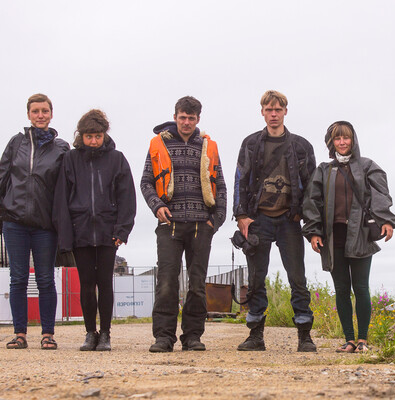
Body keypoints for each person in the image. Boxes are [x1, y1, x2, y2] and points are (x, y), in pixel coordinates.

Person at [302, 121, 395, 353]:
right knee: (342, 289)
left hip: (361, 234)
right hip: (333, 237)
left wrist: (385, 219)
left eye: (346, 137)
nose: (342, 142)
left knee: (361, 287)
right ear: (331, 142)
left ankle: (363, 340)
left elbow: (380, 194)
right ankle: (349, 340)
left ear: (353, 140)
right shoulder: (324, 170)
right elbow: (312, 201)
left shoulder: (367, 166)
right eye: (337, 138)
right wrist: (314, 232)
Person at [141, 96, 227, 352]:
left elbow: (221, 186)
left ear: (198, 119)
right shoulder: (159, 144)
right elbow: (146, 182)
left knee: (197, 285)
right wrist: (157, 206)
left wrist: (216, 220)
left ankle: (192, 336)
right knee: (167, 282)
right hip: (169, 224)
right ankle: (164, 337)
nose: (186, 122)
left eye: (191, 118)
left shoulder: (208, 146)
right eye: (182, 117)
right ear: (175, 117)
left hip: (202, 225)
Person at [233, 90, 317, 352]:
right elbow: (240, 179)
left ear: (285, 112)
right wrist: (241, 215)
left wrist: (308, 217)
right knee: (256, 279)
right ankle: (255, 336)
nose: (273, 114)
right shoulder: (250, 143)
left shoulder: (301, 146)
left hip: (289, 220)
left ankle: (305, 336)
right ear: (262, 112)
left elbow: (312, 186)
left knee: (298, 279)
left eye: (277, 110)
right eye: (269, 110)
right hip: (258, 220)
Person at [53, 110, 136, 351]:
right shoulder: (70, 159)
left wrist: (122, 230)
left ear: (104, 135)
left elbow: (127, 197)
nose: (93, 141)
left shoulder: (117, 159)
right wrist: (65, 236)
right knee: (87, 284)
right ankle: (90, 333)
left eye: (98, 136)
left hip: (109, 231)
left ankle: (106, 333)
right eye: (89, 136)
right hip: (80, 231)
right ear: (81, 136)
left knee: (105, 283)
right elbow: (61, 199)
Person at [0, 93, 69, 350]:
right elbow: (2, 177)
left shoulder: (61, 148)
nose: (40, 115)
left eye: (44, 111)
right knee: (18, 279)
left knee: (45, 279)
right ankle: (20, 334)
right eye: (35, 111)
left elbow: (66, 187)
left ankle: (47, 334)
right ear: (28, 114)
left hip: (45, 225)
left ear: (51, 114)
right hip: (14, 221)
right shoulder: (16, 142)